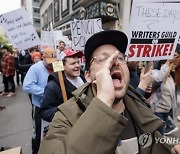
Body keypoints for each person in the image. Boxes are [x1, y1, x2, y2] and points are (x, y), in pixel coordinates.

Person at [39, 30, 180, 154]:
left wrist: (169, 149)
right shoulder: (66, 117)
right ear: (88, 75)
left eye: (120, 58)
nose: (115, 62)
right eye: (103, 59)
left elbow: (152, 142)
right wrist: (104, 102)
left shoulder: (139, 105)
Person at [23, 48, 57, 154]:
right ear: (43, 58)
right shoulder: (35, 68)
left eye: (53, 61)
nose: (51, 64)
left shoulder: (57, 65)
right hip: (39, 106)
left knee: (52, 132)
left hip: (54, 106)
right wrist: (47, 92)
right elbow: (27, 86)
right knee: (38, 133)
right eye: (49, 61)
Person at [39, 49, 86, 122]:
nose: (77, 66)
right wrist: (64, 110)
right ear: (63, 66)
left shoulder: (85, 77)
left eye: (78, 62)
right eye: (73, 63)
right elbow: (45, 112)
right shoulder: (53, 86)